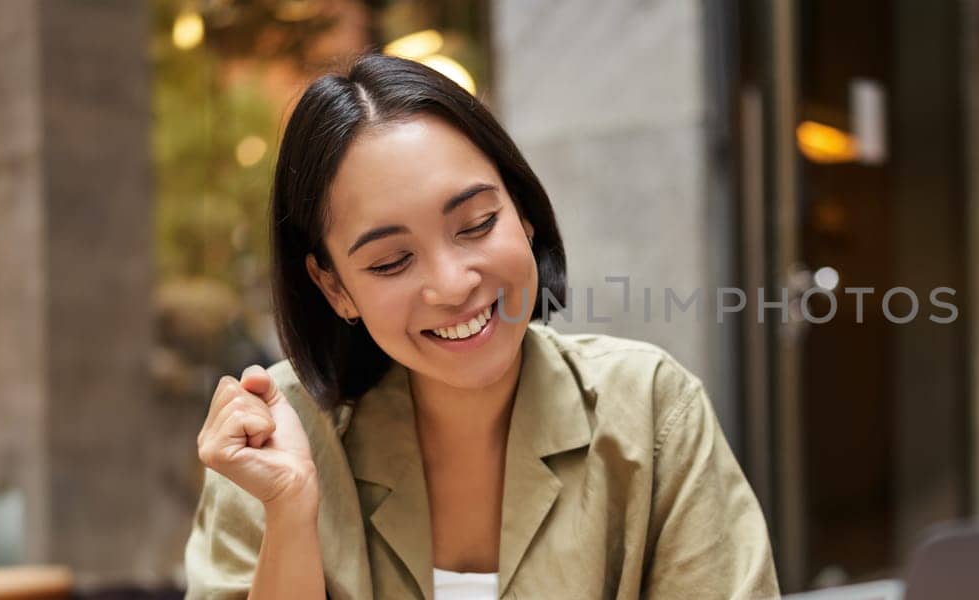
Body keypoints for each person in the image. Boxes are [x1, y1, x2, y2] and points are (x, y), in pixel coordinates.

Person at [183, 54, 778, 599]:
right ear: (334, 287)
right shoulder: (277, 439)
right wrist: (290, 511)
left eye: (476, 223)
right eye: (392, 261)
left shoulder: (651, 411)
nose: (453, 284)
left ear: (521, 212)